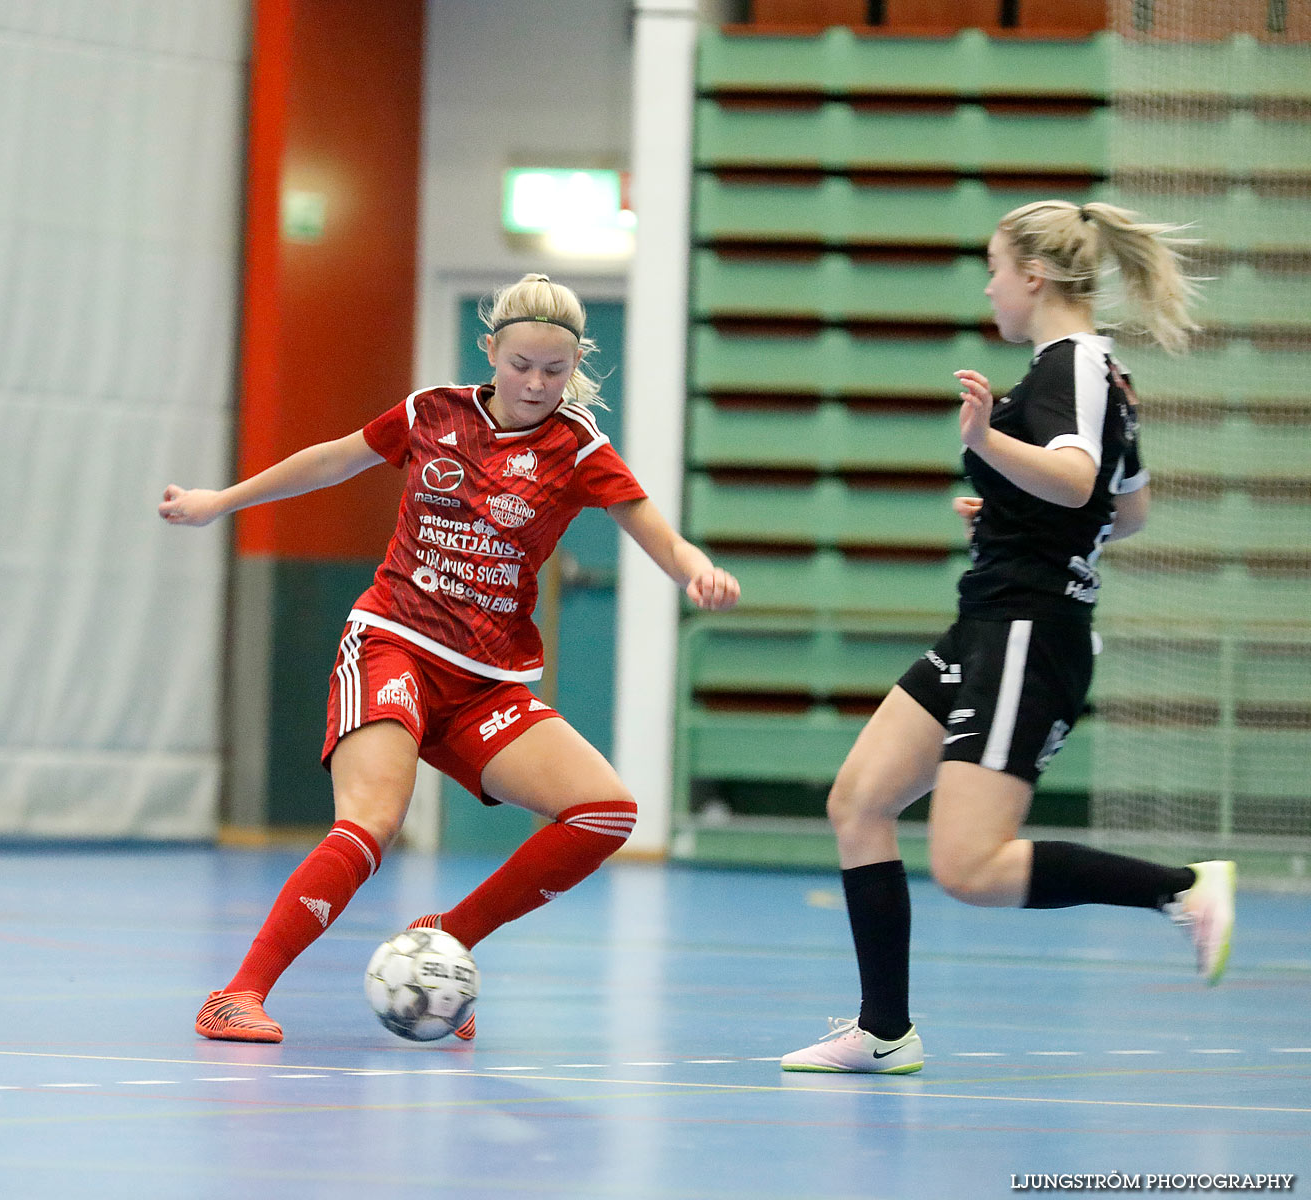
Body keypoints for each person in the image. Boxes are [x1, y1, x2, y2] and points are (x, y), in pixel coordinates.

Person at [160, 274, 739, 1043]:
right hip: (394, 642)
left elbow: (655, 532)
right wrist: (219, 500)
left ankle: (448, 936)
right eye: (523, 364)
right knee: (370, 825)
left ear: (574, 369)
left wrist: (693, 569)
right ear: (491, 351)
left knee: (605, 812)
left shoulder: (578, 448)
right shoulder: (431, 414)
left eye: (555, 371)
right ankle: (237, 993)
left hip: (484, 683)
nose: (537, 384)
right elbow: (332, 460)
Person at [779, 200, 1235, 1075]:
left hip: (1030, 632)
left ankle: (1181, 890)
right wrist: (1007, 512)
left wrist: (989, 442)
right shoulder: (1093, 374)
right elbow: (1125, 510)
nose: (988, 286)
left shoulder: (1073, 365)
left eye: (994, 268)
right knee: (859, 803)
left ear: (1033, 276)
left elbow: (1075, 480)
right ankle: (884, 1031)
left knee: (970, 867)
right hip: (989, 619)